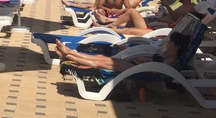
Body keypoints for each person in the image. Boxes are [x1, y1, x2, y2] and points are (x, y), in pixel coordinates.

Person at [55, 31, 189, 72]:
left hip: (136, 68)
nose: (168, 44)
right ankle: (70, 52)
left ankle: (69, 54)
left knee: (99, 63)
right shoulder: (166, 54)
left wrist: (143, 61)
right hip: (136, 63)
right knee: (100, 57)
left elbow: (157, 71)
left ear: (177, 46)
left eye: (171, 43)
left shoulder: (171, 60)